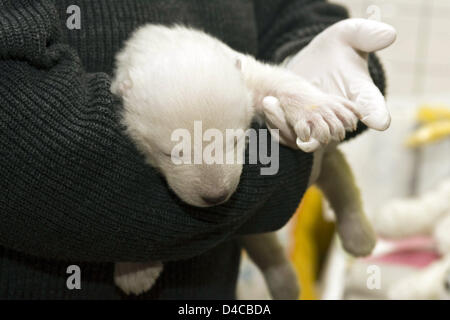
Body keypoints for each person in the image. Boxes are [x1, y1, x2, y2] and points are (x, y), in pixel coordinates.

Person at [0, 0, 389, 299]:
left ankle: (338, 215)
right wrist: (141, 242)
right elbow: (28, 150)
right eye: (178, 153)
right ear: (124, 94)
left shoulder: (233, 68)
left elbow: (298, 14)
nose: (217, 188)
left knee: (320, 162)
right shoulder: (137, 84)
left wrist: (323, 73)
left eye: (231, 141)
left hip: (213, 287)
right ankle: (274, 261)